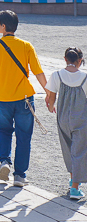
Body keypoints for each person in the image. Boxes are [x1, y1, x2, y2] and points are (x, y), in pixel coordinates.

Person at [0, 9, 47, 187]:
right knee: (24, 136)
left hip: (2, 97)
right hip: (24, 98)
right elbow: (38, 72)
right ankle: (20, 176)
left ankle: (4, 162)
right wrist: (49, 92)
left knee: (4, 131)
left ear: (3, 26)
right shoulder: (26, 46)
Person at [45, 46, 87, 200]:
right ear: (79, 61)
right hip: (81, 118)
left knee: (68, 149)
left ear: (65, 59)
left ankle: (72, 180)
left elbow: (51, 96)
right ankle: (75, 188)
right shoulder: (85, 77)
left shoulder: (57, 75)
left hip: (63, 117)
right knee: (80, 150)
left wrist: (51, 107)